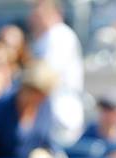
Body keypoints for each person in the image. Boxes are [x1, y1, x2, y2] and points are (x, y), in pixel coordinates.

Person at [0, 61, 59, 158]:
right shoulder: (2, 107)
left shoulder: (45, 106)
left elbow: (48, 142)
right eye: (39, 93)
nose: (42, 98)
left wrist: (46, 155)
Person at [29, 0, 84, 146]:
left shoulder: (59, 35)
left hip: (62, 111)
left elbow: (44, 78)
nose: (35, 17)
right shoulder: (44, 38)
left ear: (56, 13)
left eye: (41, 13)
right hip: (50, 111)